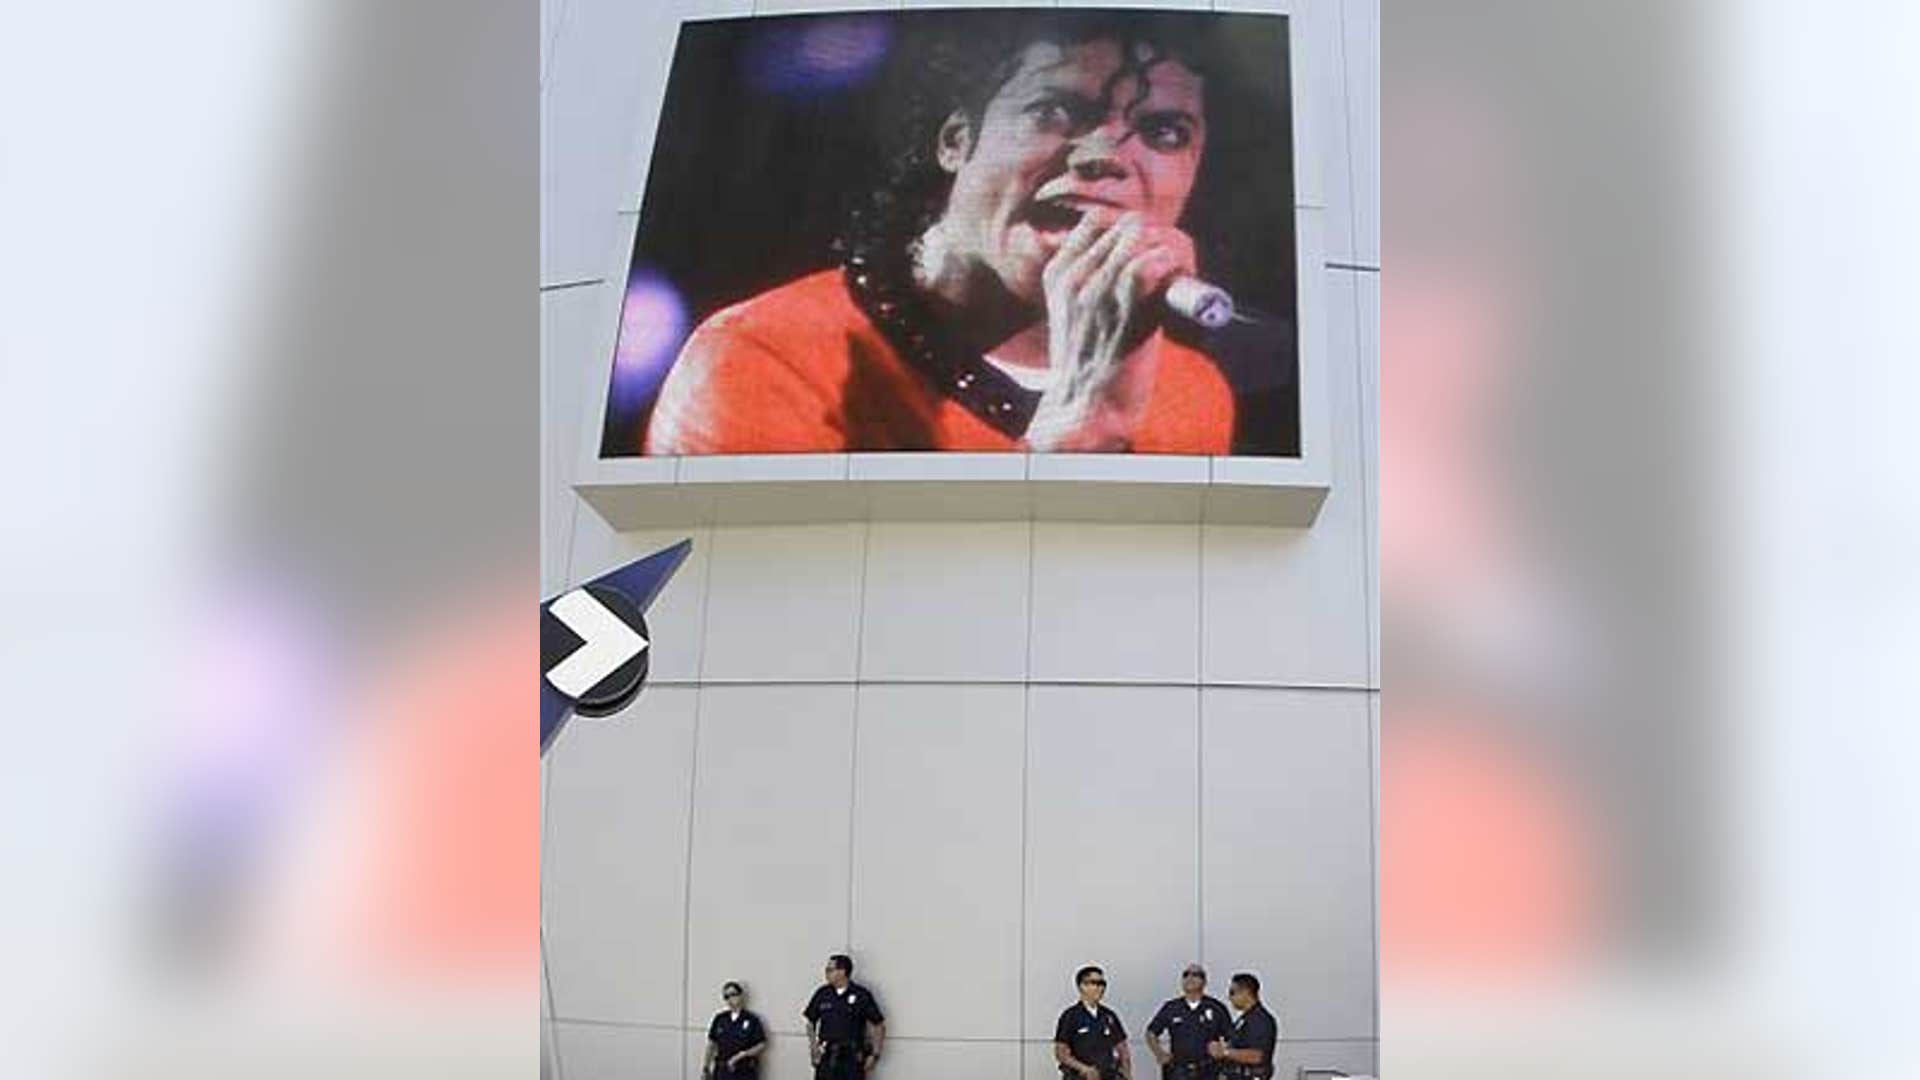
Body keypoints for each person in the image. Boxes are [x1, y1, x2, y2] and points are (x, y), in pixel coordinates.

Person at [646, 11, 1236, 455]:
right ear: (956, 141)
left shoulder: (1193, 394)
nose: (1104, 155)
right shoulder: (762, 360)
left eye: (1164, 132)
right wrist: (1081, 430)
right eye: (1056, 110)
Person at [804, 954, 885, 1079]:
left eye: (830, 970)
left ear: (842, 972)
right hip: (827, 1056)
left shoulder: (861, 995)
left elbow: (878, 1025)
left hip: (852, 1058)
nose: (826, 973)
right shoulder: (822, 994)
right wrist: (813, 1048)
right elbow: (810, 1021)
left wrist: (875, 1054)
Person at [1144, 963, 1231, 1079]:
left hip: (1208, 1071)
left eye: (1196, 975)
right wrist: (1159, 1053)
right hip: (1177, 1072)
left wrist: (1222, 1052)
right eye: (1186, 975)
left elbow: (1231, 1038)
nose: (1190, 978)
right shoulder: (1171, 1007)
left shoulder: (1217, 1008)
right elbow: (1151, 1033)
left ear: (1204, 982)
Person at [1054, 964, 1132, 1080]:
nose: (1100, 988)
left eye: (1102, 984)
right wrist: (1084, 1069)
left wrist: (1127, 1074)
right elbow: (1060, 1052)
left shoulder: (1109, 1015)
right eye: (1095, 983)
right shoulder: (1070, 1016)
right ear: (1082, 986)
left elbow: (1123, 1048)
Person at [1206, 972, 1279, 1080]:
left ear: (1245, 992)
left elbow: (1257, 1056)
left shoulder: (1260, 1020)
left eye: (1232, 992)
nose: (1229, 998)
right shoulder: (1245, 1019)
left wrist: (1224, 1052)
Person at [703, 981, 768, 1078]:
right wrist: (706, 1067)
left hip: (744, 1070)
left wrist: (742, 1055)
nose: (730, 999)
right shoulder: (720, 1019)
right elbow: (711, 1044)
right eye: (726, 997)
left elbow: (761, 1044)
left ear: (741, 996)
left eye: (733, 994)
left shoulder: (751, 1019)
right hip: (723, 1070)